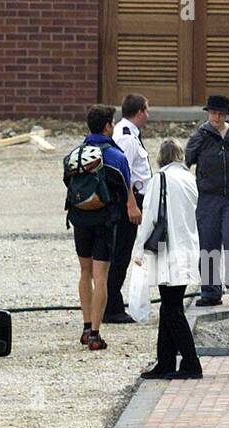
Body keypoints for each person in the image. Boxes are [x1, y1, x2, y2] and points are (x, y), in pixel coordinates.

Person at [70, 105, 140, 350]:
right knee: (101, 277)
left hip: (80, 219)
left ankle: (85, 326)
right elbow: (126, 187)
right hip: (104, 221)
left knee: (84, 273)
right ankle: (96, 334)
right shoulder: (116, 156)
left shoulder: (77, 153)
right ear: (108, 125)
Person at [134, 139, 202, 380]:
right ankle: (165, 361)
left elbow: (150, 216)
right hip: (189, 247)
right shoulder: (189, 179)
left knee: (172, 308)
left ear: (161, 157)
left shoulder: (159, 179)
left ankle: (191, 363)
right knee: (169, 305)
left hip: (168, 250)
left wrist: (139, 248)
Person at [187, 94, 229, 306]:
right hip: (208, 197)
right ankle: (210, 290)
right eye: (213, 113)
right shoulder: (201, 135)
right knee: (208, 243)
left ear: (226, 115)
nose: (216, 117)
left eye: (220, 113)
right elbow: (186, 159)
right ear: (208, 113)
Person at [107, 94, 153, 323]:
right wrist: (131, 205)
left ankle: (110, 303)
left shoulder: (130, 133)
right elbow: (123, 174)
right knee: (120, 253)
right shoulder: (126, 137)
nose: (148, 115)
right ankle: (111, 307)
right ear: (140, 112)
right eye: (147, 110)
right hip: (129, 202)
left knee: (122, 252)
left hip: (133, 199)